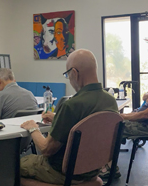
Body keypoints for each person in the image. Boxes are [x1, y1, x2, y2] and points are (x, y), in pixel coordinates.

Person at [19, 49, 119, 184]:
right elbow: (88, 125)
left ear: (74, 73)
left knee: (13, 166)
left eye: (67, 75)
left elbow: (46, 149)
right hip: (92, 169)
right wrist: (58, 118)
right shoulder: (110, 101)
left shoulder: (71, 105)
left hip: (61, 172)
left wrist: (33, 128)